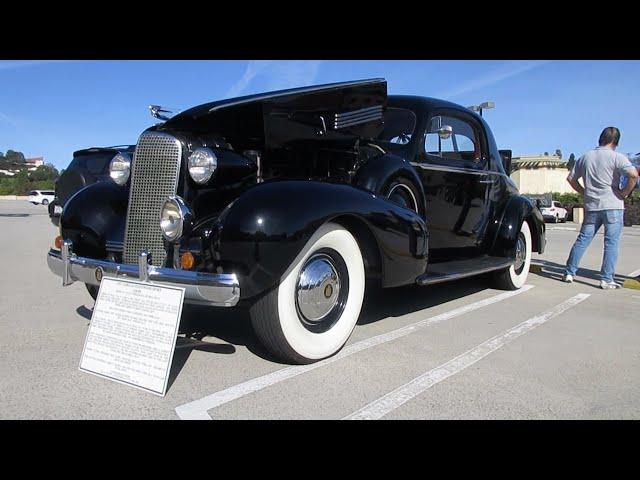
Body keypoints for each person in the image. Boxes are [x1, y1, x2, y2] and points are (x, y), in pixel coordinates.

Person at [563, 127, 638, 289]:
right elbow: (633, 174)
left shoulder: (585, 157)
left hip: (591, 205)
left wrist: (584, 191)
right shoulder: (618, 157)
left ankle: (569, 272)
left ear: (600, 138)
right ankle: (606, 278)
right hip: (613, 204)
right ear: (616, 141)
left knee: (583, 239)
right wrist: (624, 192)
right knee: (611, 242)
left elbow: (570, 178)